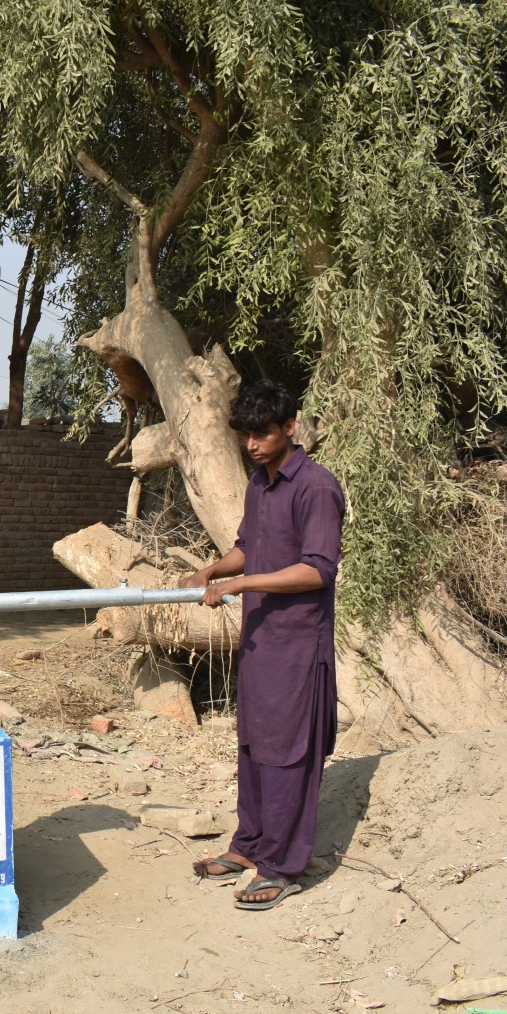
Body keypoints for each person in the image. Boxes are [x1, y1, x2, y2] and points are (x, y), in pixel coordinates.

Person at [178, 379, 345, 911]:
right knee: (253, 746)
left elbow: (318, 570)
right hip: (259, 641)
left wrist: (240, 586)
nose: (252, 444)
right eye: (246, 436)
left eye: (262, 434)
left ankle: (283, 865)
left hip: (298, 646)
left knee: (288, 753)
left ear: (289, 428)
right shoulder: (259, 485)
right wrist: (210, 570)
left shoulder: (316, 487)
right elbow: (247, 548)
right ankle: (250, 846)